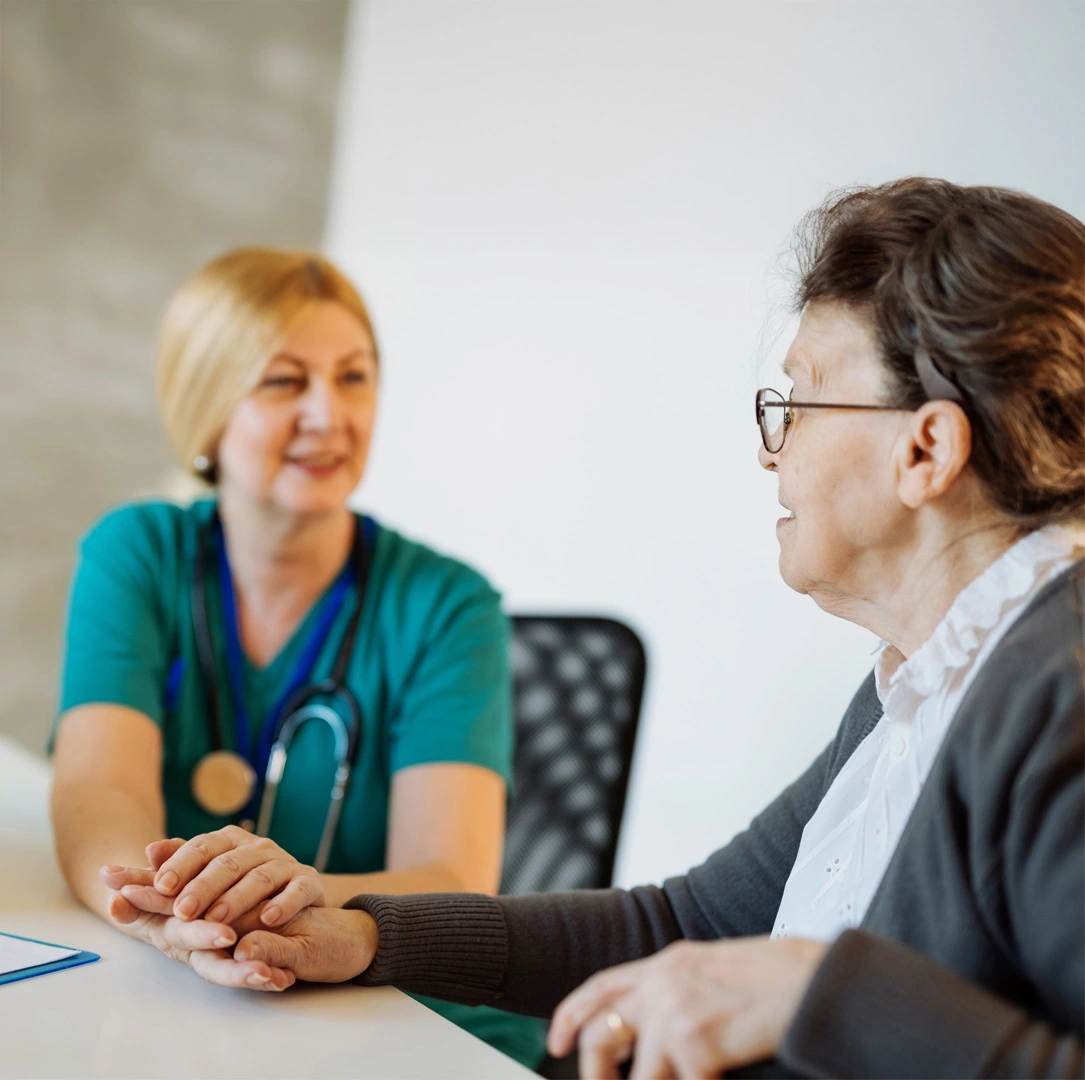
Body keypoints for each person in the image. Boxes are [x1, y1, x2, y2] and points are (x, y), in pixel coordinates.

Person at [108, 179, 1084, 1078]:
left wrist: (811, 994)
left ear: (924, 449)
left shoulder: (1057, 693)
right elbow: (686, 921)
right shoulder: (922, 687)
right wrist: (364, 931)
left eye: (796, 401)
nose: (768, 451)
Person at [49, 247, 545, 1068]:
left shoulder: (447, 605)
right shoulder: (135, 555)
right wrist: (172, 917)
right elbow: (96, 791)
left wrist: (267, 902)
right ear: (206, 406)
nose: (329, 414)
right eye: (284, 382)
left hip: (402, 1016)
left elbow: (453, 875)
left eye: (353, 378)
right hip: (187, 989)